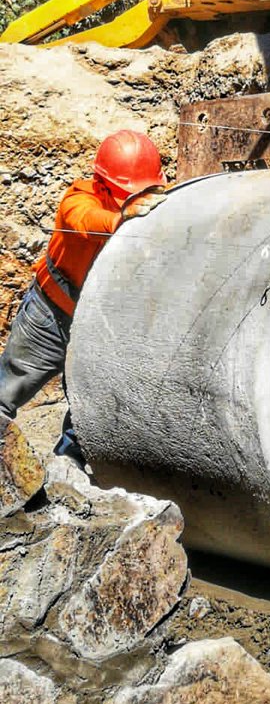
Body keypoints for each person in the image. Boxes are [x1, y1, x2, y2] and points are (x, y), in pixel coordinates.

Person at [0, 130, 167, 460]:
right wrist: (120, 219)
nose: (139, 199)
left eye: (148, 191)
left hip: (101, 328)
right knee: (8, 388)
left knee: (91, 406)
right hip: (50, 317)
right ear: (103, 184)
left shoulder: (155, 205)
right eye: (129, 194)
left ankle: (70, 464)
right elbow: (83, 220)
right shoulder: (79, 199)